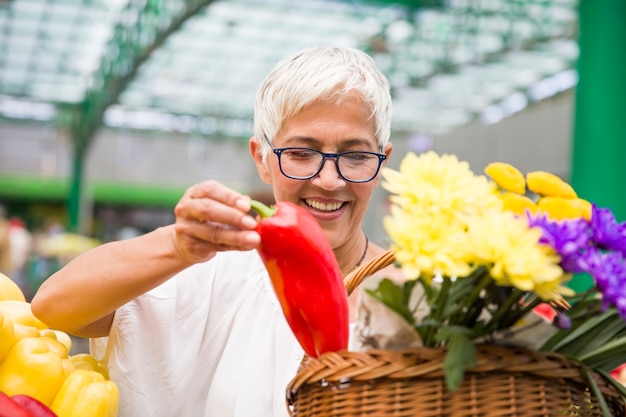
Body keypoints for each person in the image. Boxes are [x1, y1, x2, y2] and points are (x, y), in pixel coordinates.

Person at [31, 45, 395, 417]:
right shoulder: (215, 269)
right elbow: (54, 308)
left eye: (356, 155)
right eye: (301, 153)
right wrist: (177, 245)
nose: (329, 180)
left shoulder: (419, 293)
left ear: (382, 163)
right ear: (262, 160)